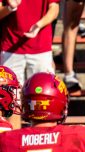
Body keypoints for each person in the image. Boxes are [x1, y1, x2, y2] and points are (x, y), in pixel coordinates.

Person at [0, 0, 59, 129]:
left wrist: (39, 24)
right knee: (11, 101)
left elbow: (54, 9)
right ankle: (14, 143)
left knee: (44, 101)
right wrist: (9, 8)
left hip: (41, 48)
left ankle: (42, 142)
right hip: (10, 48)